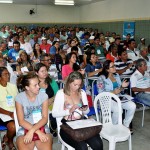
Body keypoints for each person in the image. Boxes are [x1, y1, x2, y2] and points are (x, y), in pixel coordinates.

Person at [52, 71, 103, 150]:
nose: (77, 87)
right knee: (82, 147)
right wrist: (68, 111)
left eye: (79, 85)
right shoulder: (61, 93)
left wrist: (85, 109)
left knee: (98, 144)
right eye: (75, 85)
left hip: (82, 123)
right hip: (67, 126)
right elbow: (54, 114)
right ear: (69, 82)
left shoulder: (82, 92)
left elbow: (87, 112)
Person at [15, 73, 52, 150]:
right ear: (27, 87)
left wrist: (32, 131)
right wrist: (37, 132)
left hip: (42, 126)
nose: (38, 87)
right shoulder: (19, 98)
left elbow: (45, 118)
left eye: (38, 84)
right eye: (35, 85)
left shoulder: (43, 96)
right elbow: (21, 121)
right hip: (24, 127)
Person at [97, 60, 136, 129]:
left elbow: (120, 90)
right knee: (118, 109)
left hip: (118, 97)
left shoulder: (117, 75)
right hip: (106, 99)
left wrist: (122, 87)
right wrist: (114, 92)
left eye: (114, 66)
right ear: (107, 69)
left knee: (132, 106)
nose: (115, 68)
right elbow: (101, 93)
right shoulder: (101, 78)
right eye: (112, 67)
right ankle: (113, 127)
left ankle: (126, 125)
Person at [34, 63, 59, 137]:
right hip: (39, 107)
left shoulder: (51, 82)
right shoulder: (34, 84)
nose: (45, 73)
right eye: (42, 71)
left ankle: (54, 128)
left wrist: (51, 100)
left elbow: (58, 94)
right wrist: (45, 103)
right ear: (36, 73)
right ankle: (50, 128)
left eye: (45, 70)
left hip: (52, 104)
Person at [0, 67, 18, 150]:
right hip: (2, 113)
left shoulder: (13, 86)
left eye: (8, 74)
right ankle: (9, 141)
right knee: (13, 127)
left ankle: (6, 137)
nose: (8, 76)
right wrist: (9, 113)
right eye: (5, 74)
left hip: (14, 111)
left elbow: (18, 100)